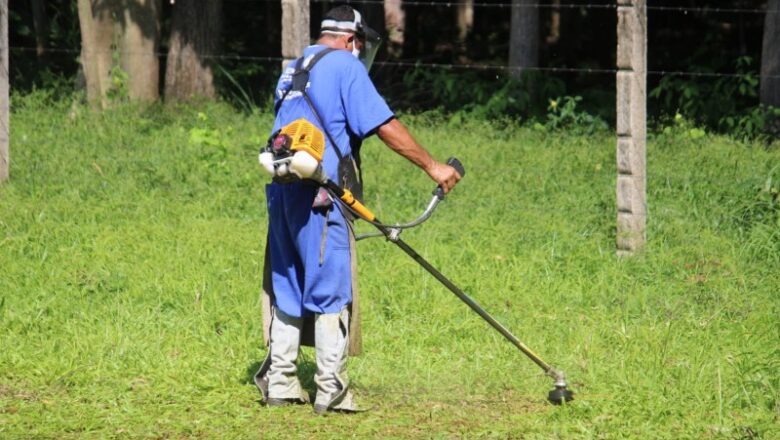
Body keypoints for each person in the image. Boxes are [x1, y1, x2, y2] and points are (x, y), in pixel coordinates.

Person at [254, 5, 461, 415]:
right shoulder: (346, 67)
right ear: (352, 40)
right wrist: (434, 166)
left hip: (282, 193)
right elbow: (384, 125)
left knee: (289, 283)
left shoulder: (293, 68)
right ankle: (331, 389)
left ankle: (280, 381)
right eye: (360, 46)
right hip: (322, 196)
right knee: (330, 287)